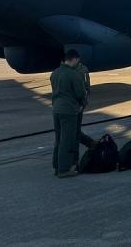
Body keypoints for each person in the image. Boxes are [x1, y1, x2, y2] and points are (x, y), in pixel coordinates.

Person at [51, 50, 87, 178]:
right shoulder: (74, 74)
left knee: (59, 139)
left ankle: (56, 166)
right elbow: (80, 93)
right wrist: (82, 104)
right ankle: (64, 169)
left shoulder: (54, 73)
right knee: (67, 139)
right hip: (69, 110)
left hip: (56, 109)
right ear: (75, 59)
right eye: (78, 60)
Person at [71, 53, 97, 149]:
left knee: (74, 131)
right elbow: (87, 88)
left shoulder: (78, 70)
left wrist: (82, 103)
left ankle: (91, 143)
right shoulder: (82, 69)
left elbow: (86, 88)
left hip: (74, 106)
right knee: (74, 130)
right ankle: (91, 143)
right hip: (74, 105)